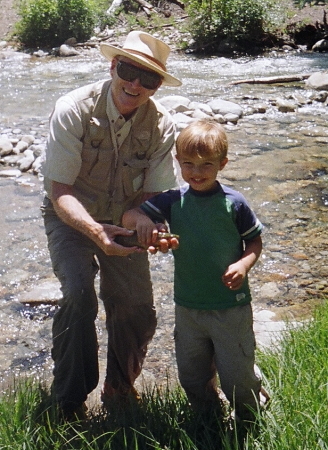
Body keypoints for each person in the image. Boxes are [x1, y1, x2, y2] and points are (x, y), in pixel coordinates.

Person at [41, 30, 182, 419]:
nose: (135, 84)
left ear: (155, 86)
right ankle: (70, 402)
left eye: (148, 78)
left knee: (136, 306)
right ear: (112, 66)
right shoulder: (73, 108)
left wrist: (137, 216)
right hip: (69, 215)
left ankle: (119, 387)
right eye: (128, 70)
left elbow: (155, 192)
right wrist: (96, 232)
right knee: (78, 296)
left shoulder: (161, 125)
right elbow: (61, 191)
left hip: (122, 218)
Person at [122, 118, 269, 424]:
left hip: (231, 305)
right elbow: (129, 216)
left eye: (206, 164)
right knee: (191, 372)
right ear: (177, 162)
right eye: (188, 163)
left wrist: (242, 265)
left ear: (222, 164)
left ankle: (251, 416)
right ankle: (208, 416)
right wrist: (147, 226)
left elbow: (254, 241)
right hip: (188, 306)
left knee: (236, 377)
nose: (196, 172)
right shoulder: (173, 201)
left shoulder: (234, 203)